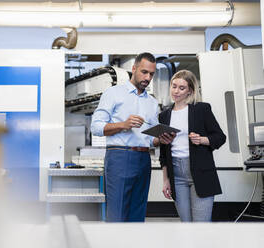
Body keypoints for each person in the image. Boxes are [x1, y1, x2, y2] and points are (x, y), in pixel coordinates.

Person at [91, 52, 171, 222]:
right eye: (144, 72)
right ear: (134, 68)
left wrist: (160, 139)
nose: (147, 77)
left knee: (138, 212)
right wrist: (123, 124)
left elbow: (150, 139)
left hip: (143, 158)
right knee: (117, 213)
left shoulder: (151, 102)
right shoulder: (113, 93)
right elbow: (96, 127)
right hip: (119, 156)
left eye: (151, 74)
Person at [159, 69, 226, 222]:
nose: (176, 91)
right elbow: (163, 152)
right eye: (173, 86)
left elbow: (220, 137)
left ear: (190, 90)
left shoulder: (201, 109)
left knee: (200, 226)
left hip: (201, 172)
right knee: (186, 225)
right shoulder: (164, 115)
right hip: (176, 174)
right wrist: (165, 180)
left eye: (181, 88)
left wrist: (202, 140)